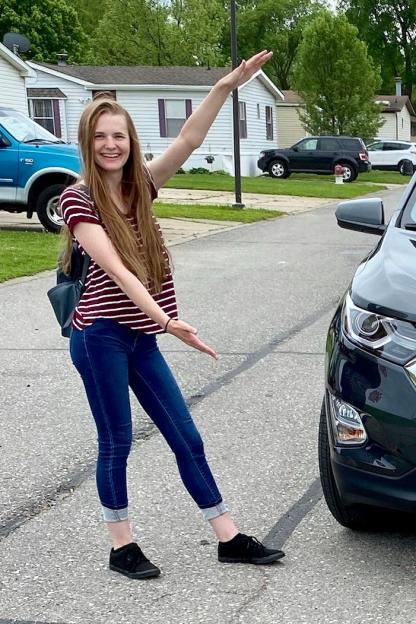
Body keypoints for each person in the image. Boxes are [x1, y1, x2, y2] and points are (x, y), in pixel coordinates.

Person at [59, 50, 284, 580]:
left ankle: (227, 537)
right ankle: (122, 547)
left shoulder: (142, 187)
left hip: (141, 335)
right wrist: (165, 319)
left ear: (131, 140)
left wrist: (226, 86)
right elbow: (114, 268)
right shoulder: (79, 199)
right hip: (100, 338)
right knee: (116, 439)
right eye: (101, 137)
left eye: (120, 135)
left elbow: (188, 140)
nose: (112, 145)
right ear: (88, 145)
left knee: (186, 436)